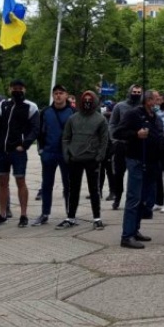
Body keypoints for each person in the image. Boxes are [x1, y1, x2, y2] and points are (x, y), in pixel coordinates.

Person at [115, 89, 164, 249]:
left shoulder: (154, 117)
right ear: (149, 100)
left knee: (146, 199)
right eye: (156, 99)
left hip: (151, 162)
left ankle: (135, 230)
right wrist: (136, 134)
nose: (159, 102)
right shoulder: (134, 114)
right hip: (137, 160)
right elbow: (119, 132)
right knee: (134, 198)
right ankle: (127, 235)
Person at [0, 79, 40, 228]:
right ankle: (3, 214)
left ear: (24, 90)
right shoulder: (3, 105)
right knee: (2, 183)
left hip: (18, 152)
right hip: (2, 151)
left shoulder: (31, 106)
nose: (17, 90)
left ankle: (23, 215)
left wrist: (25, 144)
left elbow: (35, 129)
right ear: (9, 89)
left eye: (20, 88)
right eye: (14, 88)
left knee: (20, 181)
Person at [60, 90, 109, 230]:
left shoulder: (100, 119)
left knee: (94, 190)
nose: (87, 101)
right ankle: (70, 217)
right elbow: (66, 137)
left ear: (94, 101)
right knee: (73, 189)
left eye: (90, 99)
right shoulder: (73, 118)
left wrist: (100, 156)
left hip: (92, 159)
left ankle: (97, 218)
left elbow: (104, 140)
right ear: (81, 101)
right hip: (75, 158)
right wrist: (66, 154)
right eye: (85, 99)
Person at [32, 84, 74, 226]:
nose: (58, 95)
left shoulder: (72, 112)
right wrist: (41, 150)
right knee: (46, 185)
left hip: (66, 154)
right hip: (49, 153)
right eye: (55, 93)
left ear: (66, 95)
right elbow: (39, 132)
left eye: (61, 93)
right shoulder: (45, 112)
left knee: (68, 185)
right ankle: (45, 213)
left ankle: (70, 214)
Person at [108, 85, 143, 210]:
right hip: (121, 143)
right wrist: (114, 140)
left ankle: (134, 199)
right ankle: (117, 197)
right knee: (118, 173)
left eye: (138, 92)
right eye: (134, 91)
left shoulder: (142, 108)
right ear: (129, 92)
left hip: (137, 145)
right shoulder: (120, 106)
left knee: (136, 174)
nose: (136, 94)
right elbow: (112, 123)